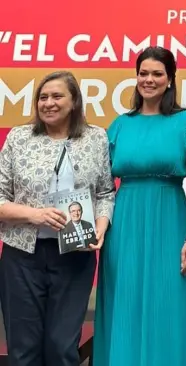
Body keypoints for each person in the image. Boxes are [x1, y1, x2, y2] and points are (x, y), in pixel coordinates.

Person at [92, 46, 186, 366]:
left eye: (157, 73)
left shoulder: (185, 122)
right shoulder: (119, 125)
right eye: (144, 73)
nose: (149, 79)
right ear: (136, 77)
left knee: (170, 305)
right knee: (123, 304)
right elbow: (99, 185)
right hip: (124, 226)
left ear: (170, 79)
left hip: (170, 221)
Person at [0, 70, 115, 366]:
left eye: (57, 96)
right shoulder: (19, 137)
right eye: (43, 97)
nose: (48, 103)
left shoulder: (96, 138)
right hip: (23, 257)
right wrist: (35, 215)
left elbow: (104, 194)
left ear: (74, 101)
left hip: (76, 257)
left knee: (62, 348)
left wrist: (100, 228)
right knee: (23, 350)